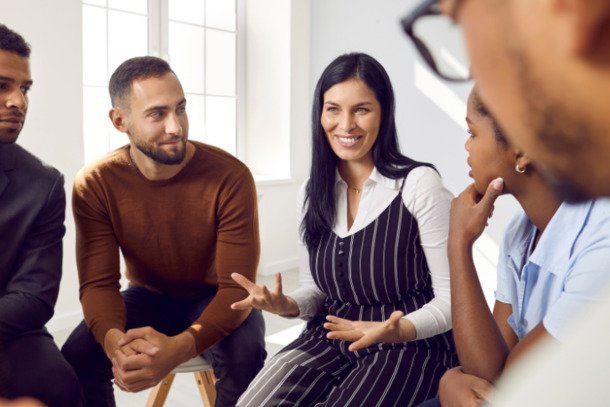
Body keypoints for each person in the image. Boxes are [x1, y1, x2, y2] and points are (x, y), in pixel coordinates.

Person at [401, 1, 610, 405]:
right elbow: (488, 369)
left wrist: (452, 382)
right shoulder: (520, 232)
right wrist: (458, 245)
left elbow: (510, 387)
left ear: (522, 146)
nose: (465, 146)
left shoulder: (601, 237)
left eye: (473, 133)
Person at [231, 52, 457, 406]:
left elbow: (452, 300)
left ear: (384, 113)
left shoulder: (419, 185)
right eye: (333, 109)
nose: (346, 124)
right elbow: (315, 291)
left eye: (361, 109)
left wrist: (401, 329)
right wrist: (288, 305)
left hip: (406, 345)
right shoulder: (312, 190)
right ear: (320, 114)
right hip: (330, 337)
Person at [60, 56, 266, 406]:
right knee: (77, 355)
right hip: (147, 295)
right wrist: (115, 346)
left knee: (244, 356)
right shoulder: (96, 182)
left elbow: (236, 288)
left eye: (180, 109)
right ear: (119, 120)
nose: (176, 127)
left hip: (216, 295)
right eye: (157, 114)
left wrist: (178, 349)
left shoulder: (230, 176)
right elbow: (98, 283)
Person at [0, 24, 83, 407]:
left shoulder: (42, 184)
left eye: (25, 88)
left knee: (60, 388)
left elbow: (35, 296)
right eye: (2, 86)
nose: (19, 102)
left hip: (11, 328)